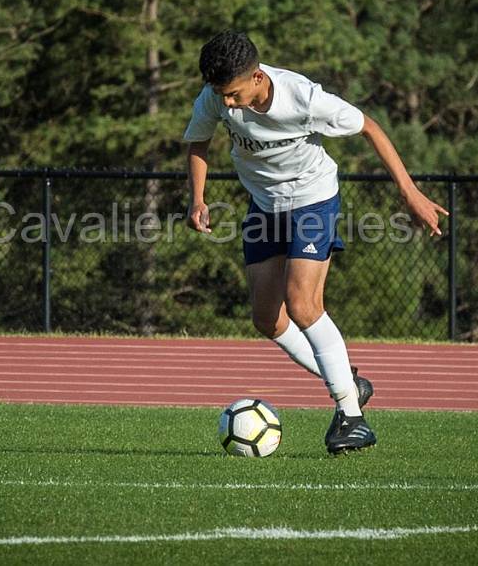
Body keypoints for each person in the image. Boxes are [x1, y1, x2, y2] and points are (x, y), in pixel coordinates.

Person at [183, 30, 447, 455]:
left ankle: (352, 417)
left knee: (303, 304)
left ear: (256, 78)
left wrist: (410, 192)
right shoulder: (214, 97)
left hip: (312, 200)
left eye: (233, 94)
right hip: (264, 206)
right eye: (221, 95)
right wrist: (197, 198)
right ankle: (348, 381)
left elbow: (369, 127)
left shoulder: (304, 98)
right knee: (267, 319)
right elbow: (199, 141)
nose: (227, 105)